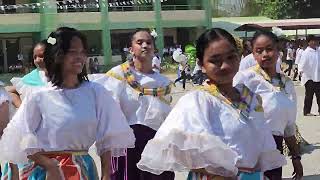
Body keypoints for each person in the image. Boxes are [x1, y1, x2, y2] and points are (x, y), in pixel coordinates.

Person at [137, 28, 286, 180]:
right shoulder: (197, 101)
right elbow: (180, 149)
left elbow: (262, 147)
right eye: (215, 60)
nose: (225, 65)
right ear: (201, 64)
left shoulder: (251, 99)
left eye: (231, 57)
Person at [0, 27, 135, 180]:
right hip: (46, 173)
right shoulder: (39, 95)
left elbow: (107, 138)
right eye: (73, 52)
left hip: (83, 170)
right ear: (58, 56)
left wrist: (106, 175)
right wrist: (49, 165)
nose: (80, 57)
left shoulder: (96, 93)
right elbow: (20, 137)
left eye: (82, 52)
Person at [92, 29, 174, 180]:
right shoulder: (118, 75)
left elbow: (165, 118)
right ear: (131, 49)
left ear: (154, 48)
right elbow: (107, 114)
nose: (145, 45)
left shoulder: (163, 82)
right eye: (139, 42)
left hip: (154, 145)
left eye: (149, 42)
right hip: (126, 146)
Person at [234, 30, 303, 180]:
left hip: (274, 150)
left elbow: (289, 126)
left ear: (278, 50)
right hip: (249, 149)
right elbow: (233, 115)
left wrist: (296, 158)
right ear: (253, 53)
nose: (265, 54)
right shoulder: (246, 79)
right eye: (259, 51)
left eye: (269, 49)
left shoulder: (287, 84)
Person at [6, 40, 49, 108]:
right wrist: (20, 106)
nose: (37, 60)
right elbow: (8, 91)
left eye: (41, 56)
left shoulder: (67, 77)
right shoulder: (33, 77)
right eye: (35, 57)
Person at [299, 35, 320, 116]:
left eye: (315, 40)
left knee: (319, 95)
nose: (314, 42)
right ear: (308, 42)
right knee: (309, 96)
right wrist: (300, 71)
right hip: (309, 77)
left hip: (318, 76)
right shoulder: (306, 52)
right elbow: (301, 64)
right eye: (312, 41)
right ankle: (307, 111)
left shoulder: (318, 51)